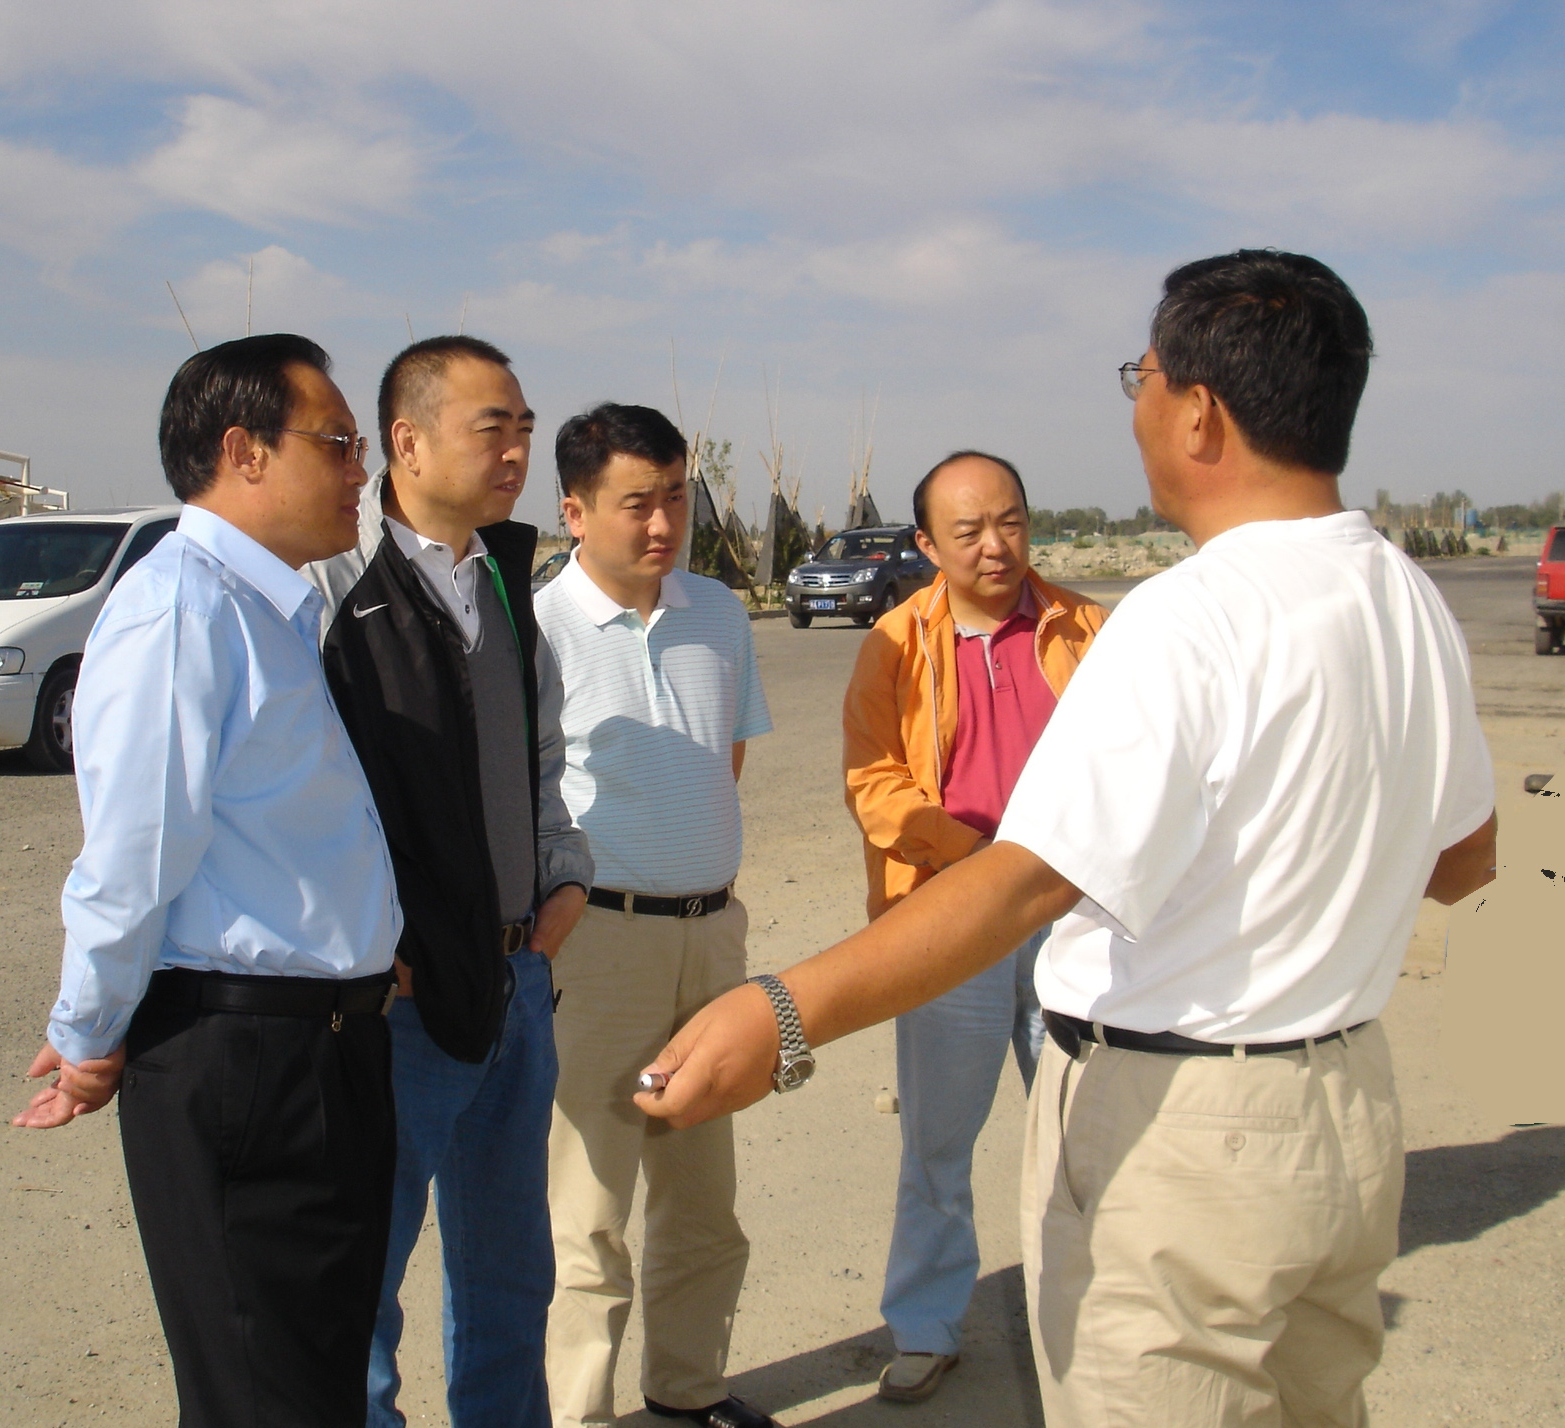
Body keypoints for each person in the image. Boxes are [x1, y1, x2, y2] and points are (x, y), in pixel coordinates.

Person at [636, 249, 1499, 1427]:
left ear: (1198, 413)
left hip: (1184, 1133)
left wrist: (780, 1014)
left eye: (1142, 377)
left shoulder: (1179, 618)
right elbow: (1461, 860)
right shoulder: (1405, 597)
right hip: (1342, 1108)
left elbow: (1026, 885)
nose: (1134, 405)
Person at [12, 333, 404, 1428]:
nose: (360, 470)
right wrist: (88, 1036)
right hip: (246, 1061)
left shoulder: (267, 609)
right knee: (260, 1391)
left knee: (313, 1381)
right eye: (338, 443)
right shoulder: (181, 610)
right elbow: (134, 857)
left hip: (325, 1048)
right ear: (244, 451)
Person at [310, 335, 593, 1428]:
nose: (517, 450)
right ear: (408, 441)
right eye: (492, 428)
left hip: (517, 984)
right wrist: (366, 944)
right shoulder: (329, 591)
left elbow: (543, 762)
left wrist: (561, 888)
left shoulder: (507, 586)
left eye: (524, 428)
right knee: (362, 1295)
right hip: (399, 1008)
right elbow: (299, 795)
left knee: (511, 1280)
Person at [842, 450, 1106, 1403]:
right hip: (949, 918)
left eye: (1010, 523)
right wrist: (974, 859)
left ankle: (1092, 1325)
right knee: (937, 1143)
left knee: (1086, 1138)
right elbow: (875, 783)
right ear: (926, 544)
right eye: (968, 531)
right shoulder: (894, 644)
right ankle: (925, 1325)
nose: (995, 546)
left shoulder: (1089, 630)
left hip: (1072, 918)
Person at [535, 404, 777, 1428]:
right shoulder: (537, 630)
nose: (663, 523)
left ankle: (687, 1391)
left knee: (703, 1193)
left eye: (675, 496)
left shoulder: (718, 612)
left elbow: (725, 759)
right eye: (636, 503)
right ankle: (577, 1414)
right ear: (574, 510)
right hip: (597, 945)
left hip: (712, 936)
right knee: (588, 1206)